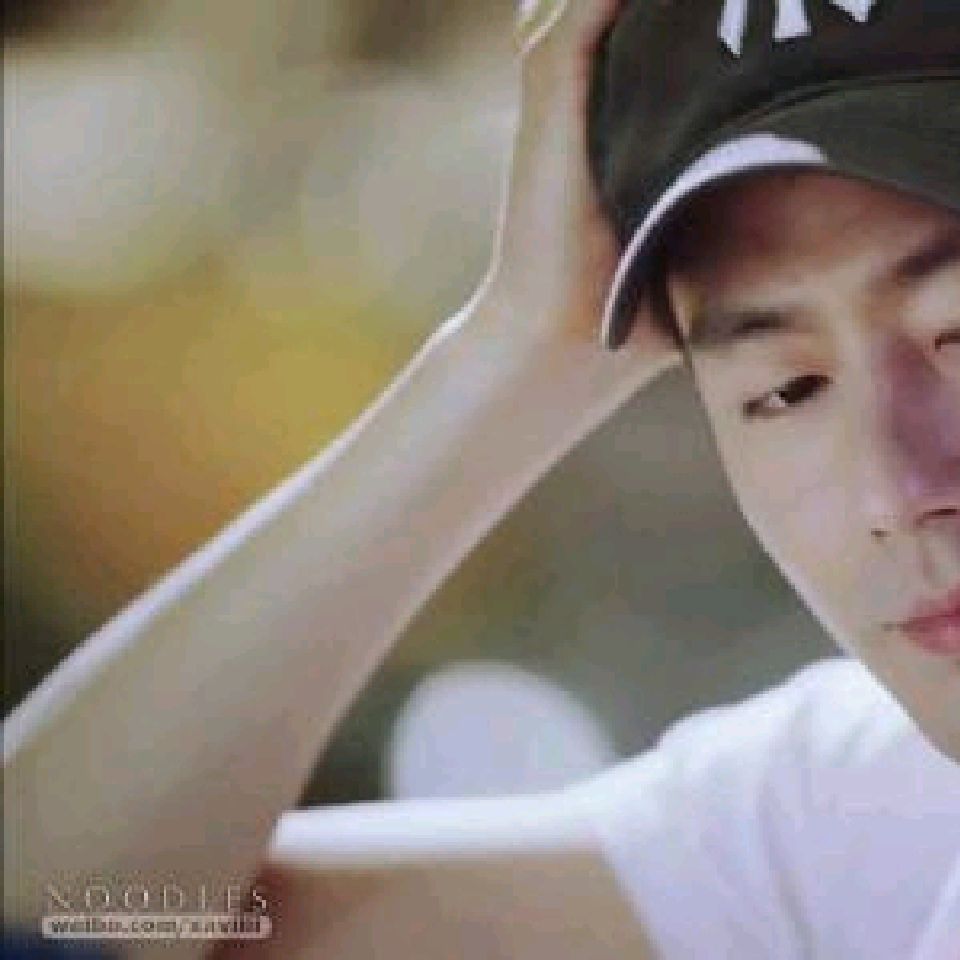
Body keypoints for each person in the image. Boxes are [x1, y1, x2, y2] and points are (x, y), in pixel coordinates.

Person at [3, 0, 958, 957]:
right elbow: (72, 919)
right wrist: (511, 350)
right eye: (787, 389)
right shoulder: (863, 825)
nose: (893, 493)